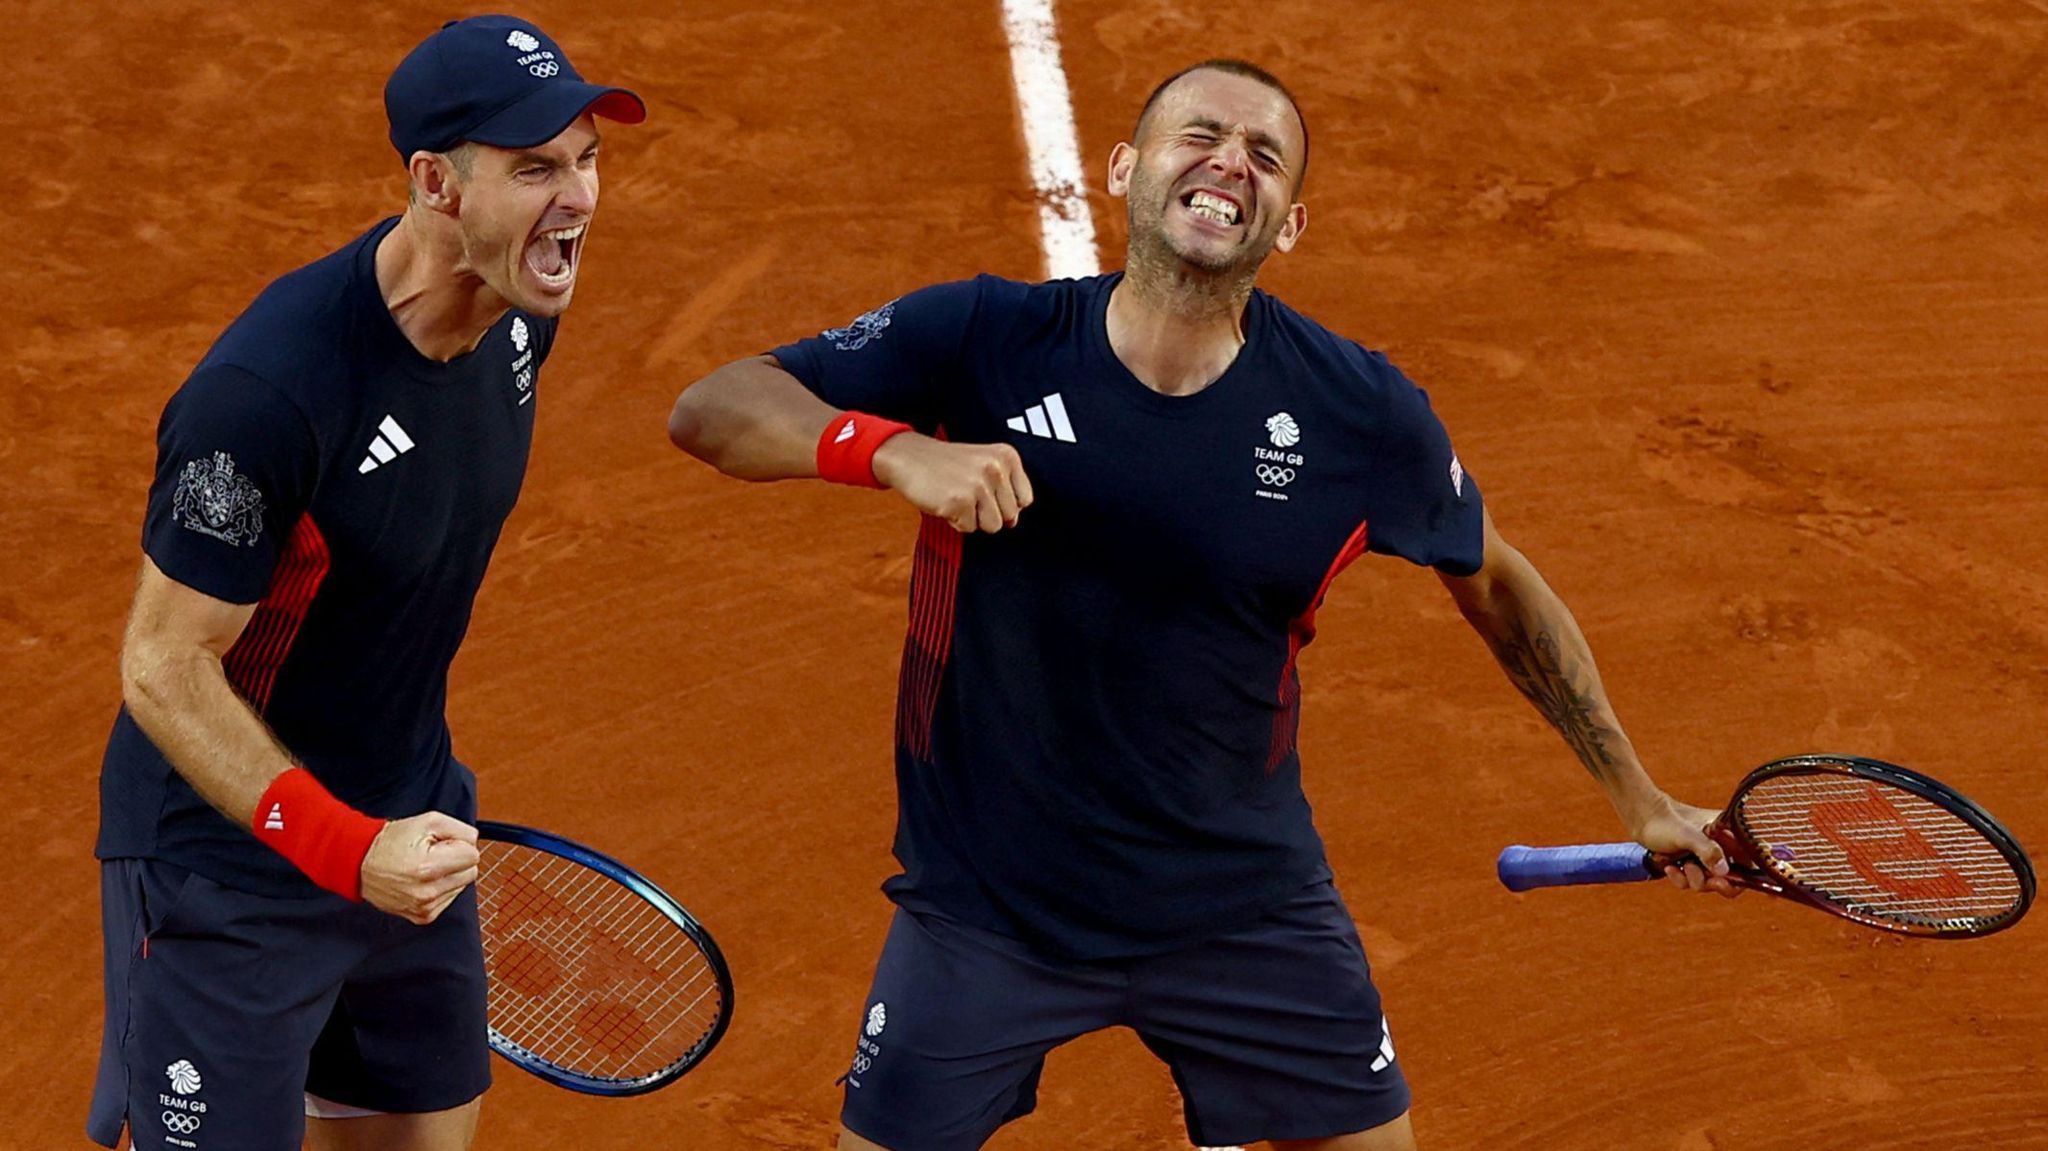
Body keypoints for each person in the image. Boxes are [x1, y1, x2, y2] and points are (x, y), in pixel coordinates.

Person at [667, 59, 1732, 1151]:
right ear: (1125, 169)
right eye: (1199, 135)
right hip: (988, 906)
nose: (1229, 162)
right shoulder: (983, 336)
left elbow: (1495, 581)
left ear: (1291, 222)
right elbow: (714, 408)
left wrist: (1638, 793)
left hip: (1243, 905)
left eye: (1264, 156)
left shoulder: (1355, 410)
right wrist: (885, 449)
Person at [87, 16, 643, 1151]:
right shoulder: (267, 398)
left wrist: (385, 836)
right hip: (226, 866)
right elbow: (161, 662)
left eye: (586, 158)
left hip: (411, 821)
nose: (578, 196)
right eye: (535, 167)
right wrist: (342, 843)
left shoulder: (520, 322)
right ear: (436, 183)